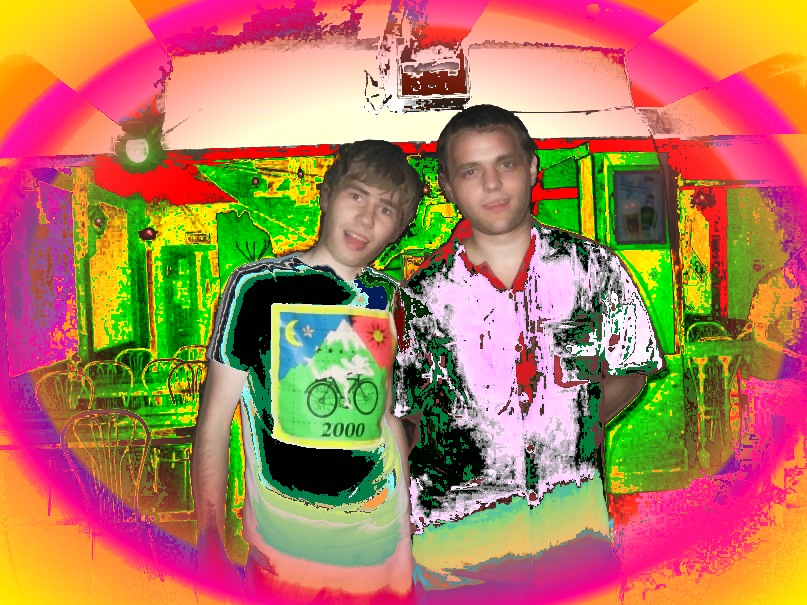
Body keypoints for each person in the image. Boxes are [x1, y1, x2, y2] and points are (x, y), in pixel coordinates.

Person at [394, 105, 664, 603]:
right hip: (457, 551)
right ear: (448, 187)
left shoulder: (593, 268)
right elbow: (403, 418)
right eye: (470, 171)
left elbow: (631, 368)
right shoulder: (420, 297)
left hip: (574, 536)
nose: (492, 184)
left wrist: (569, 431)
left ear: (533, 167)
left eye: (506, 164)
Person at [192, 140, 423, 604]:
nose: (366, 219)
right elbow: (214, 422)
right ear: (326, 195)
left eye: (385, 209)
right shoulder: (258, 288)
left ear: (398, 230)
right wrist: (210, 541)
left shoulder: (388, 296)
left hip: (382, 547)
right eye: (356, 195)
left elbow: (386, 418)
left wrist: (408, 530)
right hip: (285, 550)